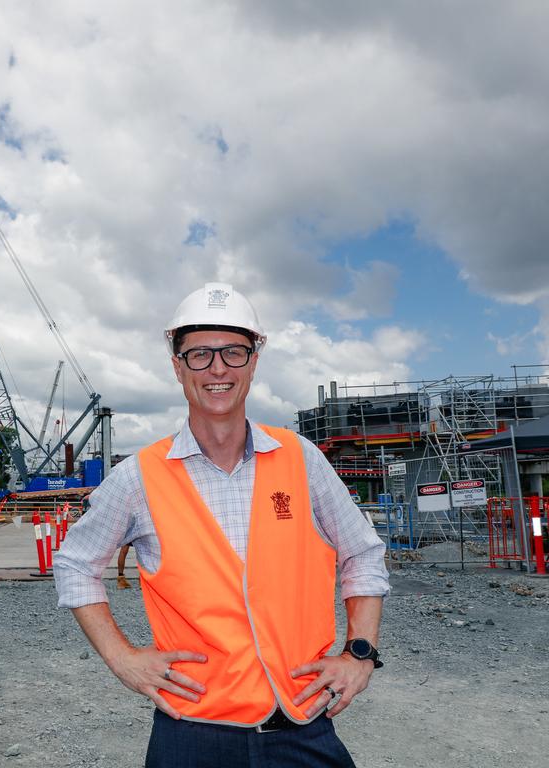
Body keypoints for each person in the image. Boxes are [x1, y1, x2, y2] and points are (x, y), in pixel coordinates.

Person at [54, 283, 389, 767]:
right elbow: (75, 565)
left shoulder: (301, 460)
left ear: (254, 362)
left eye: (234, 352)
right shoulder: (139, 478)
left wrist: (360, 653)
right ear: (176, 366)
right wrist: (123, 659)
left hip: (301, 727)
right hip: (192, 734)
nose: (217, 369)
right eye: (199, 355)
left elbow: (362, 553)